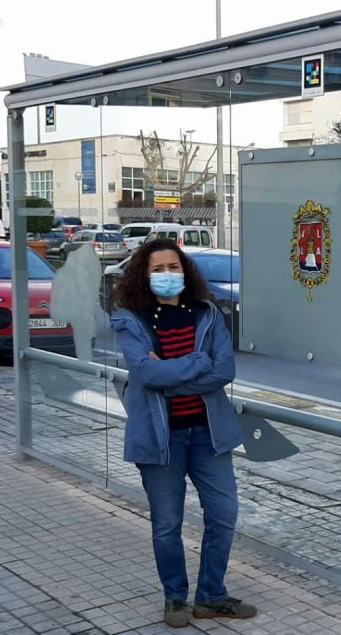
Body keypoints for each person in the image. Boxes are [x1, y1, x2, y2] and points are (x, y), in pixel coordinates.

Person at [109, 240, 256, 628]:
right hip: (161, 440)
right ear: (143, 274)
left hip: (209, 435)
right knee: (167, 524)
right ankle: (175, 599)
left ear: (185, 271)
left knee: (224, 514)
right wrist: (196, 361)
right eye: (157, 269)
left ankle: (211, 596)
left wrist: (169, 378)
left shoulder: (207, 314)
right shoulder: (131, 319)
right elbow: (143, 373)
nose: (167, 275)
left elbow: (224, 370)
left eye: (173, 266)